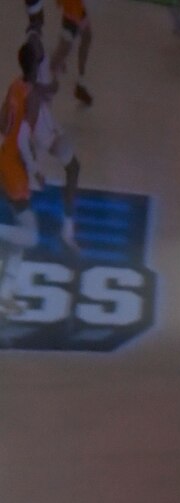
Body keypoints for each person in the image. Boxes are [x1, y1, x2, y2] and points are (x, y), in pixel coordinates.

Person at [20, 1, 79, 251]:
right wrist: (52, 85)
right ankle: (67, 229)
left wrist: (54, 69)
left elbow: (36, 25)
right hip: (43, 127)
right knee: (73, 168)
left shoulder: (33, 43)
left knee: (69, 167)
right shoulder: (33, 47)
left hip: (44, 120)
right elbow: (36, 85)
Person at [0, 41, 35, 316]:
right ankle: (4, 293)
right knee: (29, 234)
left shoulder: (14, 85)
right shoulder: (31, 96)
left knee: (20, 236)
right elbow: (25, 141)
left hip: (2, 155)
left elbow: (3, 123)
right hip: (13, 168)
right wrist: (33, 174)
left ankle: (6, 291)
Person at [44, 0, 82, 104]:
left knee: (66, 43)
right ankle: (53, 68)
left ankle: (57, 64)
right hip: (72, 20)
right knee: (65, 45)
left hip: (70, 19)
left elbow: (58, 4)